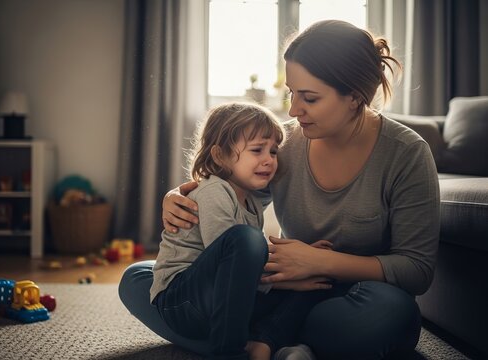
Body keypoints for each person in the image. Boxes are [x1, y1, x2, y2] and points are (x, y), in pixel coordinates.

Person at [155, 20, 441, 360]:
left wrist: (320, 261)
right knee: (138, 281)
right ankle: (282, 342)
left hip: (355, 296)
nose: (292, 110)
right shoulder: (281, 146)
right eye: (292, 93)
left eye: (309, 98)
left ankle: (259, 336)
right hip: (288, 288)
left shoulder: (406, 153)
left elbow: (416, 271)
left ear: (354, 97)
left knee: (390, 315)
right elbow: (228, 191)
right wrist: (178, 196)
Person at [133, 101, 332, 360]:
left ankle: (264, 344)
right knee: (247, 239)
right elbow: (235, 265)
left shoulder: (251, 201)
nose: (268, 160)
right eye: (257, 150)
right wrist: (293, 272)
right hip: (181, 301)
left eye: (273, 151)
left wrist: (307, 266)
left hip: (221, 300)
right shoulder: (214, 191)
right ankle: (229, 352)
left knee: (316, 284)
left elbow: (243, 275)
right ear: (219, 156)